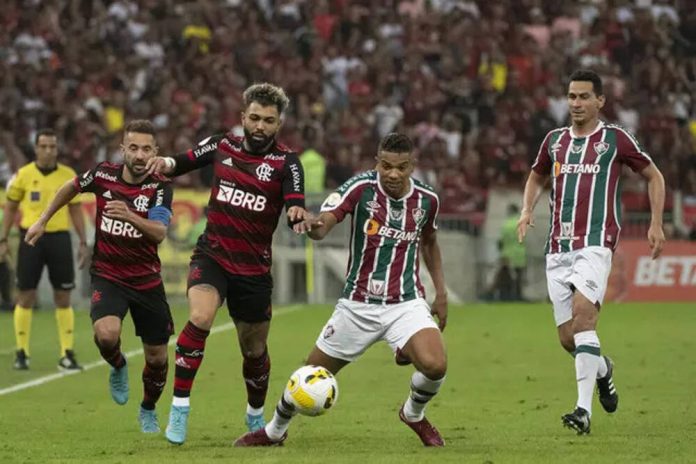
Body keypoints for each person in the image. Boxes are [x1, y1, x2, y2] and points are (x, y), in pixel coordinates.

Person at [234, 133, 449, 447]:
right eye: (386, 166)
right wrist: (312, 224)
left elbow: (429, 242)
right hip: (357, 305)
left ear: (411, 166)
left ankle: (413, 413)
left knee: (436, 365)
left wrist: (440, 293)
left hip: (406, 302)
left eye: (401, 168)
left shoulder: (427, 200)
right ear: (377, 161)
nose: (392, 174)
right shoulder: (360, 188)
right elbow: (326, 223)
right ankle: (274, 431)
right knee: (309, 374)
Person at [144, 82, 311, 444]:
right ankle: (179, 409)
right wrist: (164, 162)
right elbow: (182, 161)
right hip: (213, 256)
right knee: (200, 318)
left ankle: (254, 415)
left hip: (253, 270)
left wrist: (297, 210)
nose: (260, 126)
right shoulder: (223, 145)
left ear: (279, 123)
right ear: (243, 118)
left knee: (253, 350)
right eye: (254, 118)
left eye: (268, 120)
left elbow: (294, 197)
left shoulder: (286, 162)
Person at [516, 69, 666, 435]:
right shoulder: (553, 142)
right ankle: (604, 370)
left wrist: (656, 223)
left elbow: (654, 175)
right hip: (557, 248)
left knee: (585, 320)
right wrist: (526, 209)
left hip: (595, 244)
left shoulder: (614, 139)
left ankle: (583, 412)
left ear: (600, 101)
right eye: (571, 97)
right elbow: (537, 175)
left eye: (584, 97)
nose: (577, 103)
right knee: (570, 338)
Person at [24, 120, 175, 433]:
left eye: (146, 148)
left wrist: (130, 216)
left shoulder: (160, 186)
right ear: (123, 149)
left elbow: (160, 233)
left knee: (158, 359)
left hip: (146, 280)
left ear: (155, 152)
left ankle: (148, 407)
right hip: (108, 275)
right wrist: (42, 220)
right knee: (106, 335)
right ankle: (118, 364)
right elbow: (70, 187)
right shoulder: (104, 174)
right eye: (133, 147)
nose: (139, 154)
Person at [0, 129, 88, 370]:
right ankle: (21, 352)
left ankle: (67, 353)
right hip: (31, 238)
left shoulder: (68, 175)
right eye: (44, 146)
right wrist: (3, 238)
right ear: (36, 148)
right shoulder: (23, 175)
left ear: (57, 149)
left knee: (63, 295)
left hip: (59, 238)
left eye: (52, 146)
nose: (48, 150)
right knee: (25, 294)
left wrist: (82, 240)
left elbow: (76, 210)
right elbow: (10, 207)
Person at [499, 203, 527, 301]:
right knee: (518, 277)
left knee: (507, 277)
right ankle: (518, 296)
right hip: (519, 253)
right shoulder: (520, 222)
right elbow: (523, 238)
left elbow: (501, 240)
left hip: (507, 253)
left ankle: (506, 296)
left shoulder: (505, 224)